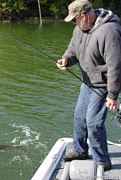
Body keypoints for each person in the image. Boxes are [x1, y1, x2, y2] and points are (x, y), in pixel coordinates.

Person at [57, 0, 121, 170]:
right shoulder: (79, 29)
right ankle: (80, 151)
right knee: (79, 117)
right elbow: (72, 50)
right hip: (87, 82)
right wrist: (66, 60)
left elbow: (116, 66)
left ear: (83, 17)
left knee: (93, 123)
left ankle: (102, 161)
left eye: (74, 20)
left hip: (104, 85)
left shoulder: (110, 31)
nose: (73, 23)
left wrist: (112, 95)